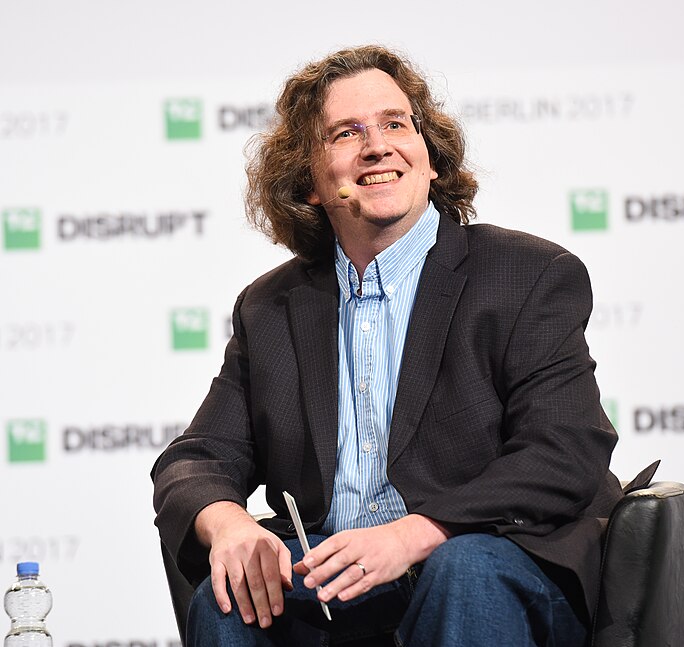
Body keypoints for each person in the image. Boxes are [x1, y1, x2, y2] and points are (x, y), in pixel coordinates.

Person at [152, 45, 635, 647]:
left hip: (496, 560)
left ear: (429, 159)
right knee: (231, 600)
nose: (377, 146)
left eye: (395, 124)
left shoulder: (527, 275)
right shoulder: (271, 307)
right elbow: (196, 459)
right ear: (308, 183)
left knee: (463, 569)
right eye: (346, 133)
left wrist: (413, 534)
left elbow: (564, 450)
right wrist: (228, 524)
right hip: (340, 580)